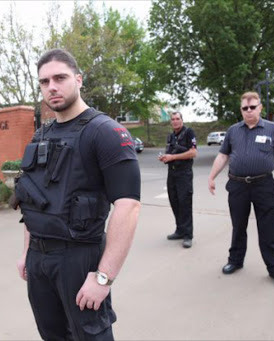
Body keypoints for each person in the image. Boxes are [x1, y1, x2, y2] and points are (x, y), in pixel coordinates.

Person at [14, 48, 141, 340]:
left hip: (80, 257)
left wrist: (104, 277)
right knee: (52, 335)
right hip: (39, 260)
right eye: (44, 82)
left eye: (60, 77)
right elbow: (33, 199)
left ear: (79, 79)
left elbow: (128, 206)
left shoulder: (106, 132)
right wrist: (26, 254)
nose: (52, 87)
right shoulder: (41, 136)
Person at [207, 91, 274, 285]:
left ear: (260, 107)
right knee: (238, 226)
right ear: (241, 110)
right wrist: (212, 176)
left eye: (252, 107)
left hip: (263, 185)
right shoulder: (233, 131)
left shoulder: (272, 129)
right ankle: (235, 261)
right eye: (245, 108)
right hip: (237, 186)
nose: (249, 111)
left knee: (268, 228)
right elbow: (223, 156)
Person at [158, 112, 197, 248]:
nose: (175, 121)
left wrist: (173, 157)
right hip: (172, 173)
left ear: (182, 120)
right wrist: (165, 157)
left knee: (185, 203)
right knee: (174, 201)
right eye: (173, 119)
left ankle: (188, 235)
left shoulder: (188, 133)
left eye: (177, 119)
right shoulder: (171, 136)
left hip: (184, 174)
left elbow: (193, 152)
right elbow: (171, 152)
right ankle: (180, 230)